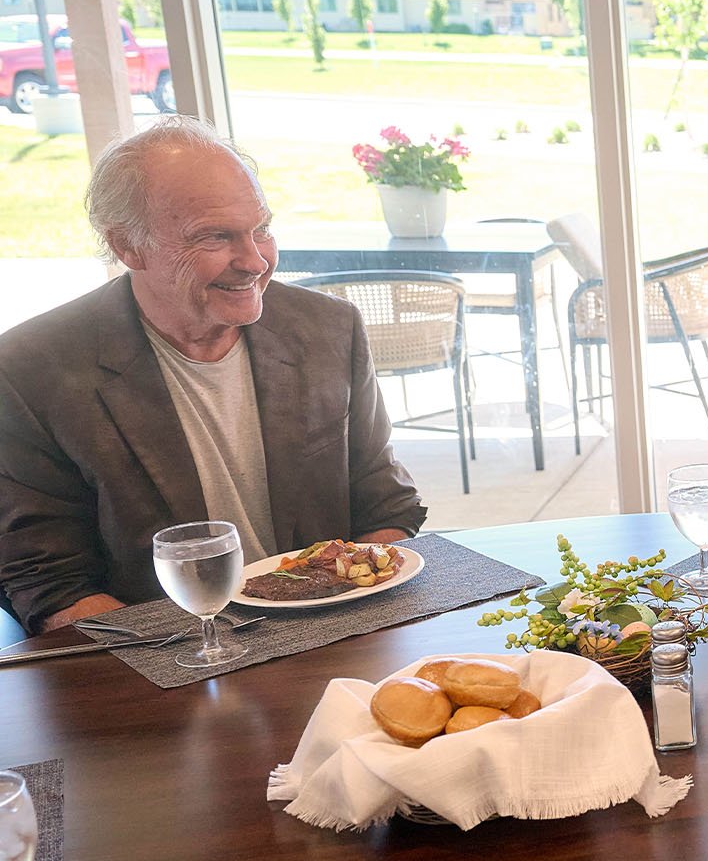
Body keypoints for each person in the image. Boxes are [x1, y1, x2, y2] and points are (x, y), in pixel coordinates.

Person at [0, 116, 426, 634]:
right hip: (160, 655)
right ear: (127, 246)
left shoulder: (329, 330)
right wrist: (193, 662)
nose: (254, 261)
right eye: (215, 237)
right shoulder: (31, 368)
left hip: (337, 628)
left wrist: (351, 623)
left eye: (261, 230)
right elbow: (52, 583)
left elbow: (387, 509)